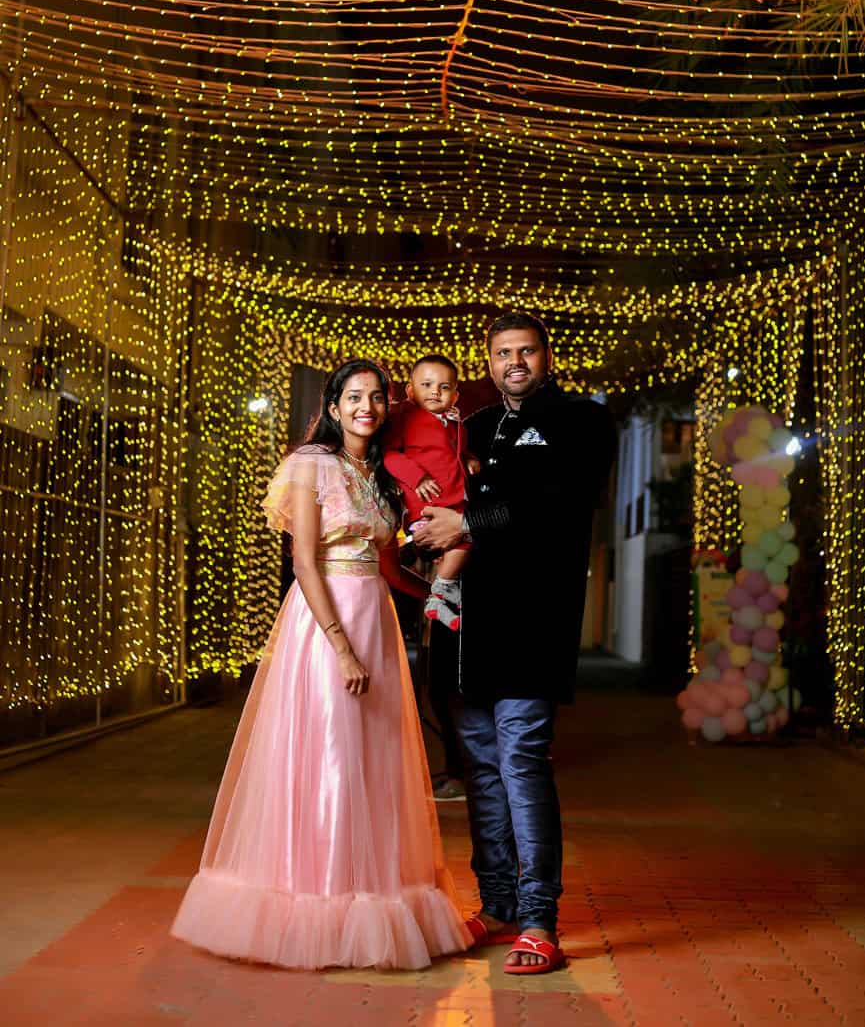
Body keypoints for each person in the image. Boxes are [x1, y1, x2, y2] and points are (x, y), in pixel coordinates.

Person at [171, 360, 471, 971]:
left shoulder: (382, 473)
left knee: (375, 754)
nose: (367, 406)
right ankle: (319, 903)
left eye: (376, 398)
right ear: (333, 407)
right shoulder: (311, 464)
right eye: (353, 397)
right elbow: (304, 560)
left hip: (378, 620)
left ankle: (374, 899)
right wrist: (338, 643)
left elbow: (390, 551)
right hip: (325, 622)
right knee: (330, 752)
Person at [414, 313, 616, 975]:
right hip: (466, 633)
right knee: (479, 766)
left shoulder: (581, 422)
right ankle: (497, 903)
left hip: (531, 624)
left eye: (526, 351)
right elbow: (421, 477)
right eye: (503, 353)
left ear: (546, 356)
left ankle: (539, 919)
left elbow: (558, 503)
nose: (515, 361)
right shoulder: (469, 427)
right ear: (490, 361)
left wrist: (469, 519)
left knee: (522, 759)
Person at [382, 354, 479, 632]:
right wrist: (417, 477)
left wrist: (470, 458)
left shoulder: (455, 423)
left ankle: (439, 597)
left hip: (454, 504)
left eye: (444, 387)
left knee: (467, 539)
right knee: (453, 540)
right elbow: (390, 455)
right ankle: (442, 588)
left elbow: (454, 454)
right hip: (426, 505)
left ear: (456, 395)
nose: (435, 391)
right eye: (426, 385)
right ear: (411, 391)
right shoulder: (404, 416)